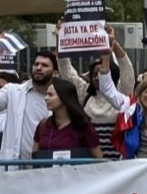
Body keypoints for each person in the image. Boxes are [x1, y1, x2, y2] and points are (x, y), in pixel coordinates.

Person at [57, 26, 135, 160]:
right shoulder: (85, 93)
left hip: (118, 161)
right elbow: (67, 71)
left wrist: (113, 44)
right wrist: (61, 37)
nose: (98, 77)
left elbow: (126, 68)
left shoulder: (121, 94)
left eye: (101, 73)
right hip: (90, 161)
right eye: (94, 74)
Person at [0, 52, 56, 163]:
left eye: (44, 65)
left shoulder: (60, 97)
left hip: (44, 166)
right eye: (36, 64)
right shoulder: (13, 91)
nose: (39, 68)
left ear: (55, 73)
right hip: (13, 166)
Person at [32, 78, 103, 158]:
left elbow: (98, 157)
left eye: (50, 95)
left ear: (64, 97)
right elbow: (34, 156)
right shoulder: (43, 125)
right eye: (46, 94)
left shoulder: (83, 125)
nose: (46, 98)